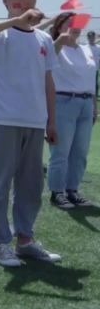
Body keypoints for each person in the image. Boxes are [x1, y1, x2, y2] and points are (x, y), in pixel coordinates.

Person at [0, 0, 62, 267]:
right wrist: (15, 21)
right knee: (0, 185)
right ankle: (1, 244)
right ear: (6, 1)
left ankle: (25, 239)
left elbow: (48, 81)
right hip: (4, 119)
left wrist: (51, 120)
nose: (26, 3)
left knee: (32, 185)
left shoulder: (44, 39)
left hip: (35, 121)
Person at [46, 13, 96, 209]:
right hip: (63, 101)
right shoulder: (54, 47)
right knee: (61, 151)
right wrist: (59, 40)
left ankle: (72, 190)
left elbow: (90, 79)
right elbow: (49, 59)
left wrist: (94, 105)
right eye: (70, 23)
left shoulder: (86, 49)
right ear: (59, 27)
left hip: (86, 103)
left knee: (80, 152)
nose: (75, 27)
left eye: (78, 23)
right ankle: (57, 192)